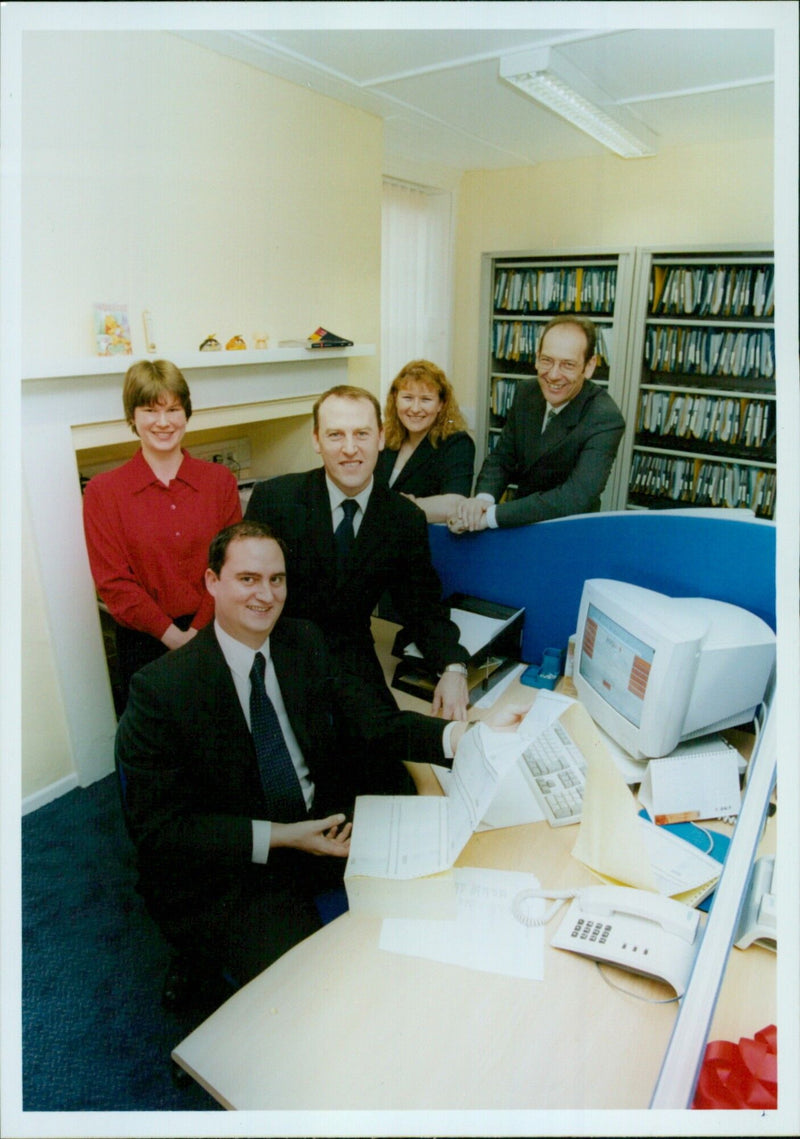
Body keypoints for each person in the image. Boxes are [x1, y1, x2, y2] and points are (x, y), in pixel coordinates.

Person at [115, 520, 469, 1009]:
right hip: (241, 864)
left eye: (276, 579)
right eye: (248, 579)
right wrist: (283, 836)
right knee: (315, 996)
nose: (265, 595)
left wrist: (459, 736)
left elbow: (372, 722)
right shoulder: (162, 690)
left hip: (323, 826)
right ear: (212, 582)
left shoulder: (303, 642)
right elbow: (161, 833)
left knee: (430, 916)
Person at [244, 385, 471, 721]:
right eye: (336, 435)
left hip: (352, 661)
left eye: (361, 434)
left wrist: (454, 668)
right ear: (316, 441)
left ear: (380, 438)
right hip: (277, 656)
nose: (350, 449)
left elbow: (421, 605)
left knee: (387, 762)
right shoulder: (274, 500)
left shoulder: (403, 518)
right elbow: (243, 592)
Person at [82, 359, 242, 702]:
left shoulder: (220, 482)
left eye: (173, 409)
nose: (164, 422)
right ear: (132, 417)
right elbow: (113, 582)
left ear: (187, 413)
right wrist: (172, 636)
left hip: (216, 631)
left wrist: (199, 630)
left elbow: (232, 563)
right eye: (150, 410)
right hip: (144, 644)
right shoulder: (102, 492)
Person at [449, 315, 625, 532]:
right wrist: (482, 501)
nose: (553, 374)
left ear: (589, 366)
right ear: (536, 358)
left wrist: (489, 517)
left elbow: (575, 497)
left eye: (567, 364)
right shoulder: (526, 392)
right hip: (519, 523)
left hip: (568, 531)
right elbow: (503, 457)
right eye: (547, 360)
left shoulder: (605, 418)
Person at [375, 359, 475, 522]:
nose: (415, 409)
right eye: (407, 398)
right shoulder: (385, 436)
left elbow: (455, 502)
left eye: (426, 400)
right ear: (395, 398)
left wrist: (403, 505)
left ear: (441, 404)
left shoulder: (458, 443)